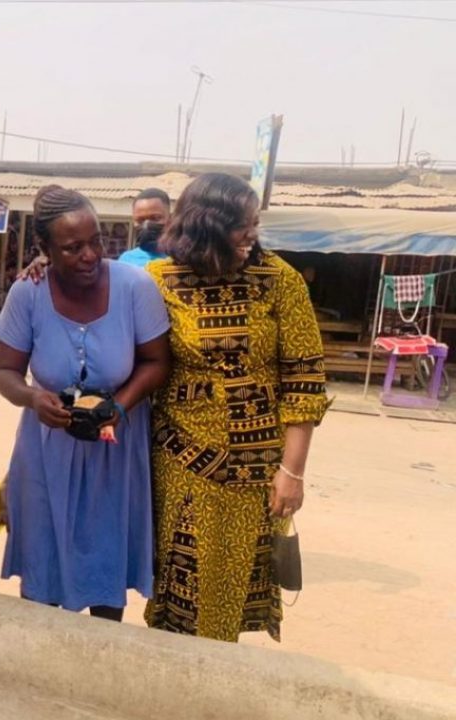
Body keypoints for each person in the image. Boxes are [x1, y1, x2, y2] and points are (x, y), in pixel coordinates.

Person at [143, 173, 330, 642]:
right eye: (240, 225)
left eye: (254, 223)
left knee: (229, 590)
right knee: (179, 588)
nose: (252, 234)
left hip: (254, 470)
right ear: (205, 225)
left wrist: (293, 471)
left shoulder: (279, 280)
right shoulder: (158, 280)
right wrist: (44, 272)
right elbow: (105, 313)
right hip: (180, 461)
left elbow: (304, 381)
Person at [0, 185, 171, 621]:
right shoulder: (27, 294)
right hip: (46, 452)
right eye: (73, 248)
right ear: (44, 250)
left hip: (115, 455)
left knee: (106, 580)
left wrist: (121, 405)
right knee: (43, 581)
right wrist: (34, 398)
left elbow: (157, 361)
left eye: (96, 242)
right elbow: (4, 372)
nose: (90, 255)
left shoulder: (135, 287)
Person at [117, 187, 172, 268]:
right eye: (140, 220)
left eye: (155, 218)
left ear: (170, 220)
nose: (147, 224)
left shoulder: (183, 259)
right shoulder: (126, 261)